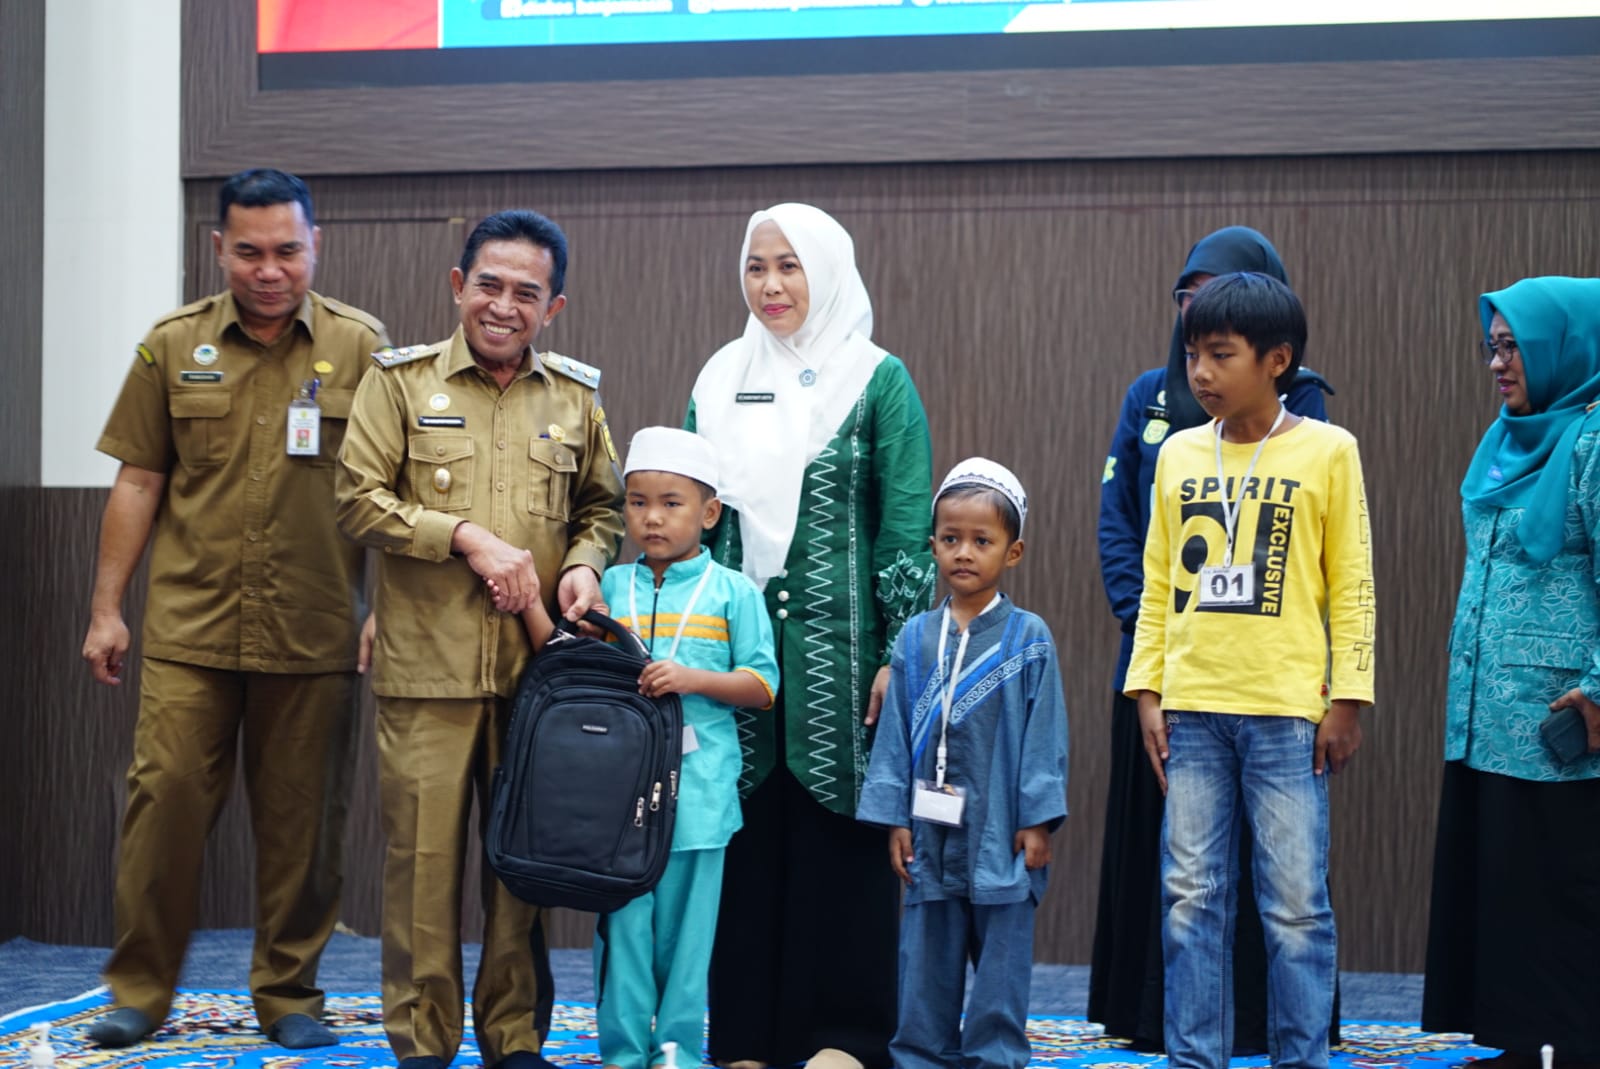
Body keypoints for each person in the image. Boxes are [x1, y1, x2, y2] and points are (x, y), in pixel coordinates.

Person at [80, 168, 389, 1050]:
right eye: (248, 251)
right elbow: (138, 479)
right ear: (219, 248)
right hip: (191, 631)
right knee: (162, 809)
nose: (268, 268)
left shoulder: (362, 347)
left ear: (315, 246)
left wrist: (387, 608)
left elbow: (392, 491)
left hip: (317, 630)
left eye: (287, 250)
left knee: (306, 827)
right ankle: (138, 989)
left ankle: (289, 993)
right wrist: (107, 609)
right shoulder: (172, 345)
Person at [335, 209, 625, 1069]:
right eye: (488, 285)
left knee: (522, 873)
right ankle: (423, 1043)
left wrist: (585, 566)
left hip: (538, 680)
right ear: (459, 286)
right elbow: (356, 499)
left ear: (554, 306)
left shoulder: (574, 397)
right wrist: (464, 535)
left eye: (525, 293)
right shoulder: (398, 384)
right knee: (422, 871)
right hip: (426, 671)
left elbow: (602, 509)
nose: (504, 306)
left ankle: (511, 1039)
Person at [687, 203, 935, 1069]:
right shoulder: (719, 379)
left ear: (826, 271)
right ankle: (747, 1037)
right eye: (756, 267)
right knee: (744, 853)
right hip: (736, 665)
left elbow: (905, 526)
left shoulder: (876, 380)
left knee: (843, 851)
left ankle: (846, 1038)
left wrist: (898, 650)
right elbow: (694, 514)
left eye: (789, 266)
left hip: (844, 661)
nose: (771, 285)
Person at [1090, 225, 1336, 1052]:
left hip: (1275, 680)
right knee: (1184, 880)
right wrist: (1148, 633)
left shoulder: (1311, 417)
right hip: (1172, 666)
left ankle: (1278, 1035)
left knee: (1288, 886)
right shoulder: (1151, 399)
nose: (1197, 306)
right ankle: (1163, 1026)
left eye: (1218, 287)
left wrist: (1346, 689)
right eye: (1186, 292)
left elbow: (1336, 567)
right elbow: (1126, 528)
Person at [1126, 272, 1375, 1069]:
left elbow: (1354, 585)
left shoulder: (1329, 451)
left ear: (1277, 359)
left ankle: (1299, 1058)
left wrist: (1348, 697)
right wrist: (1147, 688)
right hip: (1193, 710)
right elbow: (1159, 580)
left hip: (1286, 712)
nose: (1200, 372)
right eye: (1193, 353)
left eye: (1220, 355)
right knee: (1189, 901)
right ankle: (1196, 1058)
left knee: (1296, 906)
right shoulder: (1176, 455)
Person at [510, 426, 779, 1069]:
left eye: (671, 502)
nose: (651, 517)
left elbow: (763, 686)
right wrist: (526, 606)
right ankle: (625, 1055)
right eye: (637, 502)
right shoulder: (612, 586)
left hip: (701, 800)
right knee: (623, 933)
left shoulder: (734, 593)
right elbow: (566, 658)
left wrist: (691, 680)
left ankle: (678, 1053)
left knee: (687, 940)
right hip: (616, 804)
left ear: (710, 514)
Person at [1421, 276, 1600, 1068]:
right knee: (1505, 892)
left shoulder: (1594, 441)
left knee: (1560, 894)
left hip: (1563, 721)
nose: (1498, 362)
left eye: (1514, 345)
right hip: (1485, 714)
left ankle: (1568, 1043)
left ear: (1565, 348)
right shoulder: (1503, 440)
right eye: (1493, 345)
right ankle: (1525, 1043)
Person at [857, 459, 1069, 1069]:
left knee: (1001, 961)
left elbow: (1045, 735)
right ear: (933, 547)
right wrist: (895, 816)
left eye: (982, 541)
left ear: (1014, 551)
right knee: (925, 956)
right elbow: (894, 734)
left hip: (1001, 829)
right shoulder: (915, 639)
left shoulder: (1030, 638)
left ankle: (996, 1056)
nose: (965, 553)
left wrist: (1037, 819)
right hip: (928, 830)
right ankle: (919, 1054)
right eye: (951, 539)